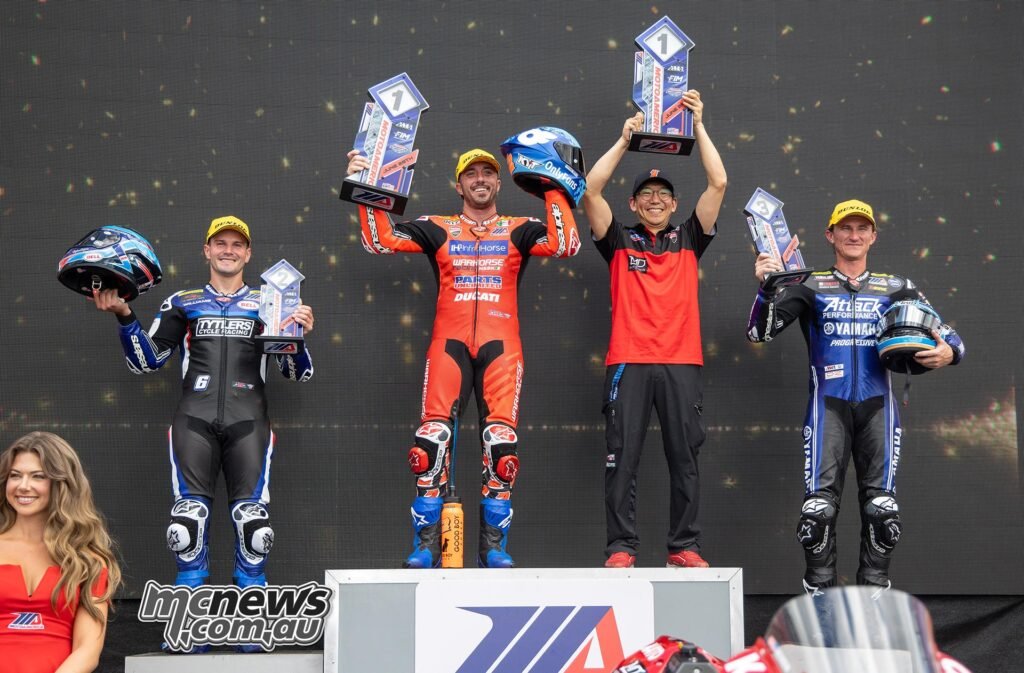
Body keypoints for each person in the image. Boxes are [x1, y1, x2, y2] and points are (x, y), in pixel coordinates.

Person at [345, 145, 581, 568]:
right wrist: (366, 185)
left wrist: (551, 186)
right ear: (459, 185)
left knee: (501, 447)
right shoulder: (438, 227)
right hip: (449, 345)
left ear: (497, 182)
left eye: (488, 173)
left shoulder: (518, 228)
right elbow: (378, 240)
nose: (480, 180)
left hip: (501, 347)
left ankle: (494, 549)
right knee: (430, 444)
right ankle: (426, 546)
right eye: (472, 174)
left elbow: (566, 244)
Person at [92, 216, 314, 649]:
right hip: (192, 422)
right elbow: (147, 361)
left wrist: (299, 335)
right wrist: (124, 317)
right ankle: (193, 630)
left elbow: (296, 373)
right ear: (206, 250)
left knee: (255, 529)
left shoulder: (273, 303)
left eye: (237, 244)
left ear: (248, 254)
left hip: (250, 423)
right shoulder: (183, 301)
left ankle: (252, 632)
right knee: (187, 526)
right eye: (220, 243)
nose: (228, 250)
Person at [747, 199, 965, 594]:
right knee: (817, 515)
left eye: (862, 228)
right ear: (830, 235)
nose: (853, 235)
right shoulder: (808, 284)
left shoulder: (897, 286)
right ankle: (822, 609)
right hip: (826, 407)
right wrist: (766, 289)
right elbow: (759, 334)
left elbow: (948, 335)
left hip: (878, 409)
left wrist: (950, 352)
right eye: (845, 228)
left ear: (873, 236)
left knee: (883, 514)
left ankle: (872, 609)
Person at [581, 91, 727, 569]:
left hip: (682, 360)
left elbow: (719, 181)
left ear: (674, 203)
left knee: (685, 456)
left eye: (663, 195)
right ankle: (621, 548)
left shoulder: (689, 237)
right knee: (622, 457)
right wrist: (625, 140)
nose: (656, 200)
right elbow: (589, 191)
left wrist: (699, 124)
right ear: (635, 202)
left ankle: (683, 546)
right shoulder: (619, 238)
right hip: (629, 359)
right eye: (647, 195)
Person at [0, 431, 122, 673]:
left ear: (60, 483)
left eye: (38, 476)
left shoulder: (88, 560)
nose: (23, 486)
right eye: (15, 476)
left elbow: (88, 650)